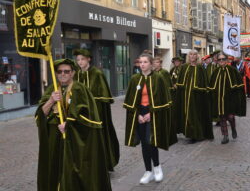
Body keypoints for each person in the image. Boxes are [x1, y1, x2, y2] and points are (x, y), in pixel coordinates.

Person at [35, 59, 111, 191]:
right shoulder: (52, 89)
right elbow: (40, 115)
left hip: (74, 140)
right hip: (54, 138)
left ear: (73, 73)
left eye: (66, 71)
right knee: (55, 168)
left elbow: (89, 116)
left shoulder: (80, 89)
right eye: (59, 71)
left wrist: (69, 124)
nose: (63, 74)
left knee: (72, 172)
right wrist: (51, 100)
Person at [123, 53, 172, 184]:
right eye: (140, 62)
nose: (142, 64)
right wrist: (138, 114)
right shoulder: (134, 79)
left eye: (145, 62)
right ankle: (148, 171)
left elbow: (165, 99)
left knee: (151, 140)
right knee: (144, 143)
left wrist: (152, 113)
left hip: (154, 112)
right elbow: (130, 100)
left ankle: (157, 167)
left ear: (151, 63)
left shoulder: (159, 78)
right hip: (140, 113)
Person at [74, 49, 120, 171]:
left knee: (97, 138)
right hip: (80, 113)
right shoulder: (76, 74)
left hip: (96, 113)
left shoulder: (97, 73)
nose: (80, 62)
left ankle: (100, 165)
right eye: (78, 60)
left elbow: (103, 96)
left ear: (88, 59)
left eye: (82, 59)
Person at [176, 50, 214, 143]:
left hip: (197, 97)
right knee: (187, 115)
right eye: (191, 54)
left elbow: (205, 83)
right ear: (188, 56)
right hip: (185, 97)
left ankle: (197, 135)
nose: (192, 56)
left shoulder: (200, 68)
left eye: (194, 54)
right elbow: (180, 82)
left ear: (197, 56)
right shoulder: (184, 67)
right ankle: (190, 134)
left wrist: (199, 89)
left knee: (196, 115)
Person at [208, 53, 246, 144]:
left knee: (230, 117)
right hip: (219, 100)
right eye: (219, 59)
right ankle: (225, 136)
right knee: (222, 118)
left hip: (230, 99)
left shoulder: (232, 70)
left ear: (226, 60)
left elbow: (239, 85)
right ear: (217, 61)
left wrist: (238, 98)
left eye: (223, 59)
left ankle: (233, 128)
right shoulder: (215, 72)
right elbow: (211, 87)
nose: (221, 61)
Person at [153, 56, 177, 145]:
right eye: (154, 62)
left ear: (160, 63)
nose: (155, 64)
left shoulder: (164, 72)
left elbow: (168, 86)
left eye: (157, 62)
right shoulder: (152, 73)